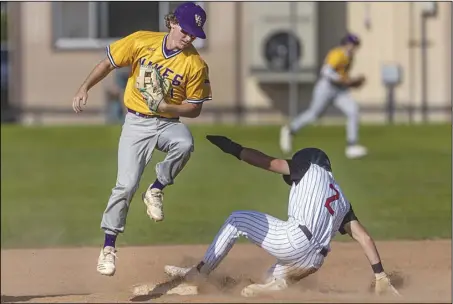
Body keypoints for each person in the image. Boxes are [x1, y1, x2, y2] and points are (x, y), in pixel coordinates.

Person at [71, 2, 212, 277]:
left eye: (194, 34)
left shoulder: (195, 64)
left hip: (168, 122)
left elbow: (195, 108)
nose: (188, 38)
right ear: (172, 22)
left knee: (184, 143)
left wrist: (167, 108)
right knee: (125, 186)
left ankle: (156, 188)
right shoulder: (141, 41)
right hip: (136, 122)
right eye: (185, 31)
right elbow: (108, 64)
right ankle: (109, 247)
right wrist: (84, 87)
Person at [162, 135, 399, 297]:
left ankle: (199, 273)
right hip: (313, 262)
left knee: (236, 220)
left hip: (293, 241)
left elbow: (268, 162)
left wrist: (235, 149)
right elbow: (364, 237)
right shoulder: (341, 198)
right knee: (267, 279)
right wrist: (380, 275)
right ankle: (275, 285)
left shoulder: (308, 167)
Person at [280, 33, 368, 160]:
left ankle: (352, 146)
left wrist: (350, 82)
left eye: (355, 45)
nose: (354, 47)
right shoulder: (337, 53)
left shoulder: (349, 57)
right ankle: (290, 129)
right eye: (352, 44)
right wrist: (346, 81)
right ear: (345, 44)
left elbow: (341, 76)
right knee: (314, 114)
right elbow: (326, 71)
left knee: (353, 110)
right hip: (326, 87)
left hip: (339, 90)